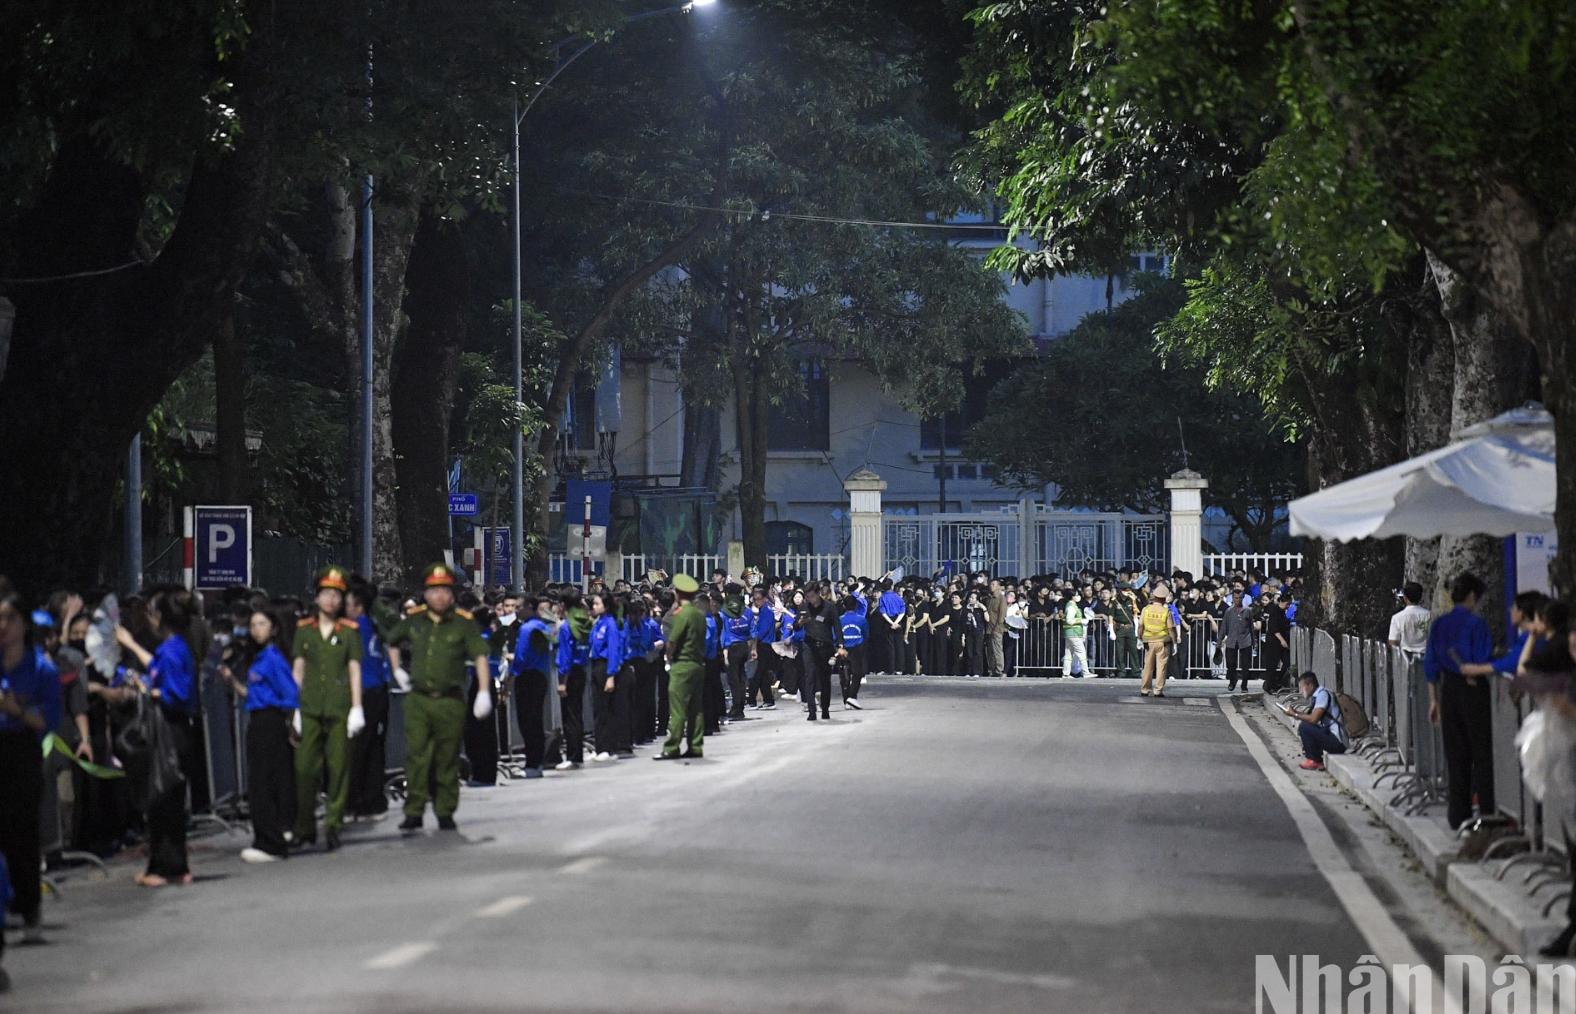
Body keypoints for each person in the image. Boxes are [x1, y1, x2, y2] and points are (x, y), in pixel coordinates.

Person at [387, 563, 491, 831]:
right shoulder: (415, 619)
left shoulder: (463, 623)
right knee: (417, 757)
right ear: (426, 594)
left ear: (452, 594)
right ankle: (414, 810)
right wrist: (397, 670)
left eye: (445, 590)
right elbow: (392, 640)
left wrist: (483, 691)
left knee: (447, 756)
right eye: (434, 591)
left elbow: (480, 655)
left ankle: (445, 810)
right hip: (419, 698)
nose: (439, 596)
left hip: (450, 699)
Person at [114, 588, 203, 885]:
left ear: (160, 617)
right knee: (170, 800)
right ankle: (174, 866)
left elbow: (176, 694)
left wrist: (150, 691)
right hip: (177, 730)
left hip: (169, 730)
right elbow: (157, 667)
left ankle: (163, 868)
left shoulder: (174, 650)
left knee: (161, 798)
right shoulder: (176, 646)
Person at [0, 587, 61, 945]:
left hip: (21, 750)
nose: (3, 627)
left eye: (9, 619)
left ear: (23, 624)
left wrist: (15, 710)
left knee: (20, 835)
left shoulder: (41, 669)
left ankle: (29, 908)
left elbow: (48, 721)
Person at [288, 567, 365, 851]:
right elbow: (298, 669)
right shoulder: (303, 630)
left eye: (336, 595)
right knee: (304, 770)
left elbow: (354, 670)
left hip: (339, 707)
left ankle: (333, 826)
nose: (331, 600)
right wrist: (293, 708)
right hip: (308, 707)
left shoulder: (349, 632)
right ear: (317, 597)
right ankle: (305, 827)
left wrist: (357, 707)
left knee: (338, 768)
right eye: (326, 594)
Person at [222, 607, 298, 862]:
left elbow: (289, 695)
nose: (256, 629)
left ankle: (271, 842)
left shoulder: (274, 659)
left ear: (274, 628)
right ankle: (266, 838)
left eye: (262, 624)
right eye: (253, 624)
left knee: (264, 784)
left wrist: (290, 725)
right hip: (258, 720)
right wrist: (231, 680)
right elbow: (253, 694)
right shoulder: (260, 658)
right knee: (259, 784)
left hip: (270, 723)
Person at [1422, 572, 1495, 830]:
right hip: (1473, 688)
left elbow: (1430, 664)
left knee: (1456, 754)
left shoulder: (1440, 624)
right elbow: (1482, 656)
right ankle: (1487, 811)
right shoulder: (1477, 625)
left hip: (1447, 690)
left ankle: (1458, 814)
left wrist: (1434, 700)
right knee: (1481, 752)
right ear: (1473, 596)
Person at [345, 581, 396, 821]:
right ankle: (372, 799)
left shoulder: (354, 628)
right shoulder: (375, 625)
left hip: (363, 692)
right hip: (376, 690)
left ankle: (359, 800)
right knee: (373, 748)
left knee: (358, 751)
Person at [657, 574, 707, 759]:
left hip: (682, 665)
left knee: (677, 709)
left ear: (678, 594)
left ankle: (672, 747)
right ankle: (695, 746)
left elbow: (672, 642)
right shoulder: (699, 615)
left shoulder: (681, 615)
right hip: (698, 664)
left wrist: (669, 657)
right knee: (696, 709)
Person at [510, 596, 557, 779]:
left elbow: (521, 657)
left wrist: (512, 673)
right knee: (536, 721)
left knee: (528, 723)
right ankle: (536, 762)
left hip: (527, 677)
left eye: (518, 607)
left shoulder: (527, 628)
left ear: (530, 607)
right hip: (540, 676)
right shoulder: (543, 627)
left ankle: (531, 763)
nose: (516, 610)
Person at [1282, 672, 1348, 770]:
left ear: (1311, 686)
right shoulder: (1319, 695)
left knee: (1304, 727)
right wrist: (1295, 712)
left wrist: (1294, 714)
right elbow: (1311, 716)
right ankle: (1315, 758)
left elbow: (1313, 719)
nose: (1301, 691)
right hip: (1333, 738)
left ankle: (1314, 760)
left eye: (1302, 688)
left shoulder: (1323, 695)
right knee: (1306, 726)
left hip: (1338, 743)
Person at [555, 591, 591, 768]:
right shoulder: (584, 623)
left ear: (562, 605)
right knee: (577, 714)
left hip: (570, 673)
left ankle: (573, 756)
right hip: (582, 670)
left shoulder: (567, 626)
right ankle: (577, 754)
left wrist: (562, 682)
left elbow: (565, 656)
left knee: (569, 716)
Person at [797, 583, 844, 720]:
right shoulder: (804, 607)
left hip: (825, 646)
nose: (810, 599)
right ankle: (812, 710)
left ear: (819, 594)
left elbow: (837, 626)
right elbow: (796, 627)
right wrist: (800, 622)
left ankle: (825, 708)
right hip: (809, 646)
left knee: (825, 679)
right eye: (808, 597)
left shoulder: (829, 607)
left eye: (812, 596)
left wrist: (840, 644)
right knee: (809, 677)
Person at [1139, 584, 1177, 698]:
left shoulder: (1146, 609)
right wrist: (1174, 643)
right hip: (1162, 642)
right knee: (1161, 667)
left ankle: (1145, 689)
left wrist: (1139, 638)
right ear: (1164, 598)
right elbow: (1171, 629)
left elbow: (1141, 625)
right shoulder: (1166, 612)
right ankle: (1158, 690)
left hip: (1148, 642)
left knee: (1148, 666)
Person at [721, 585, 752, 721]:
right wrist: (753, 648)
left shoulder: (724, 612)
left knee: (733, 679)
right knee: (741, 677)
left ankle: (736, 707)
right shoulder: (747, 611)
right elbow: (753, 630)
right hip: (744, 646)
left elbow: (724, 632)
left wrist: (724, 650)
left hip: (732, 647)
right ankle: (740, 706)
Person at [1219, 589, 1255, 692]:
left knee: (1245, 665)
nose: (1238, 600)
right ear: (1233, 599)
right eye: (1236, 598)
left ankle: (1244, 685)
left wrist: (1254, 641)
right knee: (1230, 663)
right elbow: (1223, 627)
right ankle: (1232, 680)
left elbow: (1251, 627)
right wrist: (1219, 641)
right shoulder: (1229, 611)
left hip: (1245, 640)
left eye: (1240, 598)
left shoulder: (1247, 611)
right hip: (1231, 640)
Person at [747, 587, 777, 710]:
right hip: (761, 644)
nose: (756, 602)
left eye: (759, 599)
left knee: (757, 673)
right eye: (755, 599)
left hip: (764, 645)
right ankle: (769, 700)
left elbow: (762, 631)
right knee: (763, 675)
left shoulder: (767, 612)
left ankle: (751, 700)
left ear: (765, 599)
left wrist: (753, 639)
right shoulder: (761, 611)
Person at [1388, 582, 1432, 660]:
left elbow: (1393, 642)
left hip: (1405, 659)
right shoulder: (1429, 616)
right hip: (1426, 658)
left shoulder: (1397, 618)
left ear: (1405, 597)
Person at [838, 594, 868, 708]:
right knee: (857, 673)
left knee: (844, 676)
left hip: (842, 648)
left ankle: (846, 700)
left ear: (844, 606)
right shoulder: (862, 619)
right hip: (857, 649)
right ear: (855, 606)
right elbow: (866, 635)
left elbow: (835, 634)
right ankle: (852, 696)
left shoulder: (839, 620)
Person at [1111, 586, 1140, 680]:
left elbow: (1135, 614)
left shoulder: (1131, 600)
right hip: (1120, 628)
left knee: (1133, 651)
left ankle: (1136, 671)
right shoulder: (1114, 601)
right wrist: (1111, 630)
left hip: (1130, 628)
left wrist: (1136, 629)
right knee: (1119, 651)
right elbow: (1111, 615)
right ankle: (1121, 671)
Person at [1060, 588, 1088, 678]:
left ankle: (1066, 673)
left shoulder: (1071, 605)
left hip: (1069, 633)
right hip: (1073, 632)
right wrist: (1081, 620)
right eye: (1076, 595)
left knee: (1068, 653)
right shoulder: (1071, 607)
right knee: (1081, 652)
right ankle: (1086, 672)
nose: (1078, 596)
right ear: (1072, 597)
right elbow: (1069, 620)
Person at [984, 579, 1007, 677]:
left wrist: (996, 628)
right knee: (989, 651)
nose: (991, 586)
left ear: (998, 587)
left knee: (997, 650)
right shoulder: (988, 598)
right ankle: (991, 669)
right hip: (988, 628)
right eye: (990, 584)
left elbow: (1001, 615)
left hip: (996, 628)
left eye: (993, 584)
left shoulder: (1001, 598)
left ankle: (999, 669)